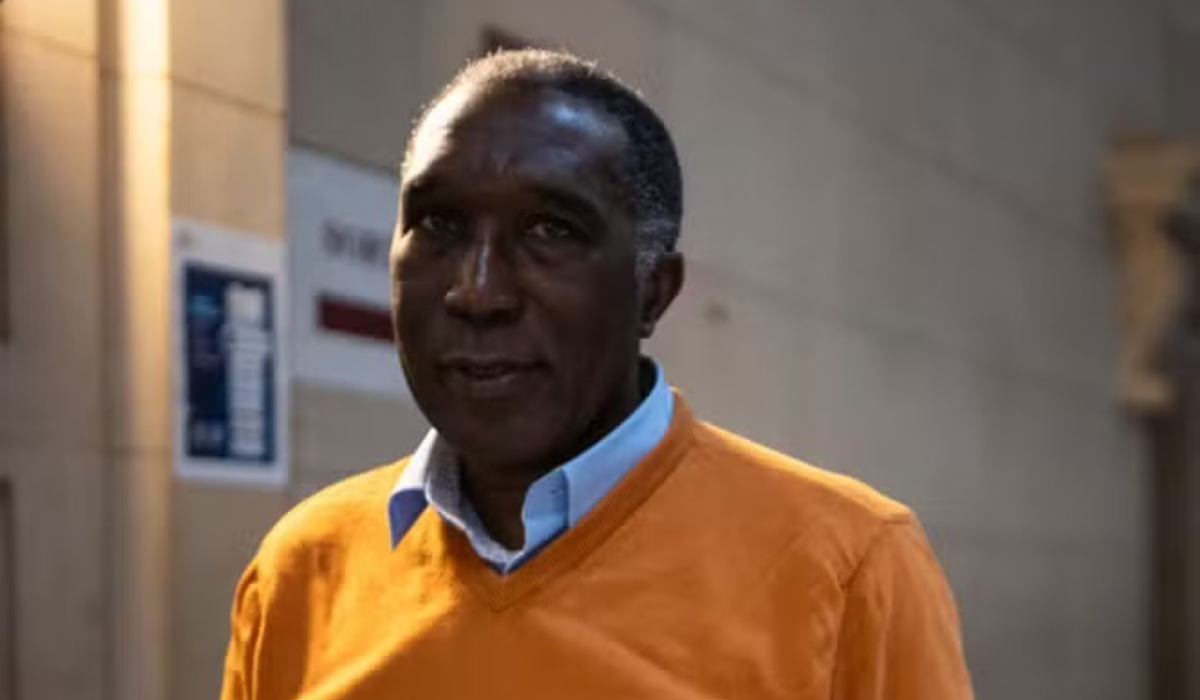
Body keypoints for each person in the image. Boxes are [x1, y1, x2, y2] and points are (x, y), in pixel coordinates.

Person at [219, 48, 974, 700]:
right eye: (439, 224)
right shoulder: (302, 570)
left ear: (653, 292)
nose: (477, 292)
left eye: (549, 230)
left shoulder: (846, 569)